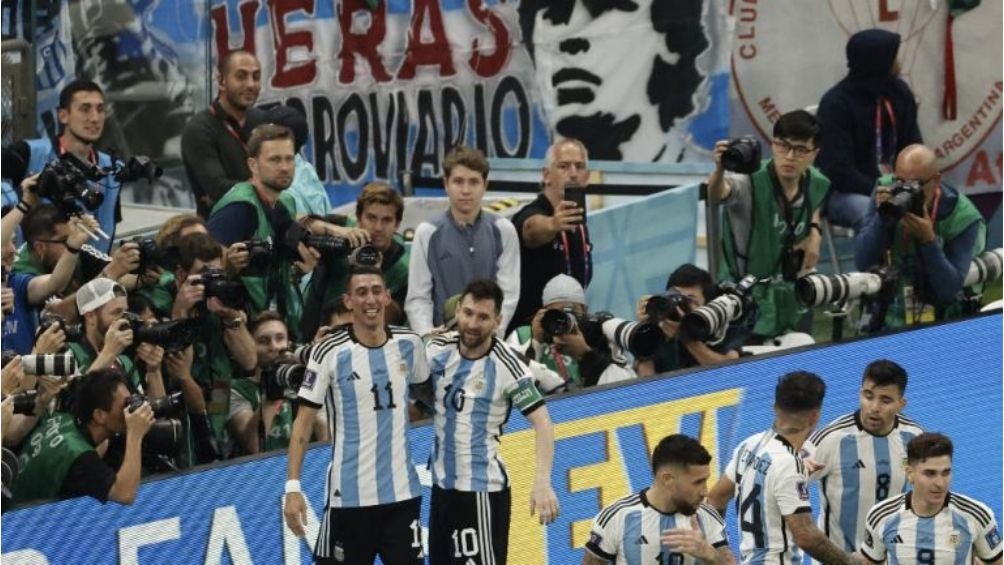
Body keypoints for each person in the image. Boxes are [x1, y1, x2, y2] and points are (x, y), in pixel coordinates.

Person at [284, 266, 429, 564]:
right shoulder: (328, 352)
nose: (370, 299)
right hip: (349, 499)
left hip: (403, 497)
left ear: (388, 297)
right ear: (348, 301)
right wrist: (293, 487)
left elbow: (427, 389)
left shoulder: (410, 344)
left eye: (377, 291)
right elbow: (303, 422)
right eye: (361, 292)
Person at [421, 278, 559, 564]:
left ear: (497, 321)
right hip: (441, 490)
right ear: (457, 310)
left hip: (480, 493)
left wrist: (542, 482)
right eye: (468, 313)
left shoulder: (508, 366)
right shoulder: (436, 349)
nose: (472, 323)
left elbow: (543, 422)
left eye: (483, 317)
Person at [520, 0, 712, 162]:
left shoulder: (707, 185)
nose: (568, 41)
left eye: (602, 10)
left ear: (669, 42)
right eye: (554, 13)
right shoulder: (539, 196)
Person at [707, 371, 857, 565]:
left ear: (775, 407)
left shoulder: (749, 445)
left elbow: (716, 497)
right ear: (814, 417)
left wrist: (722, 551)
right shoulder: (788, 464)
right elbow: (806, 536)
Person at [709, 110, 829, 341]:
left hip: (792, 292)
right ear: (772, 145)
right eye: (783, 146)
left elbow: (814, 203)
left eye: (801, 149)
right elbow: (718, 193)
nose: (790, 156)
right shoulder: (750, 182)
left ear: (815, 153)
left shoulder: (815, 181)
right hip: (745, 298)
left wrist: (815, 231)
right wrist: (719, 169)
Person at [206, 123, 323, 337]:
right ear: (253, 164)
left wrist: (298, 271)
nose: (285, 167)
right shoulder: (238, 207)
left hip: (275, 321)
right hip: (239, 327)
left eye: (289, 159)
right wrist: (229, 268)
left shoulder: (285, 201)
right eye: (275, 160)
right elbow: (207, 274)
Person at [854, 144, 986, 330]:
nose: (904, 193)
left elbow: (947, 289)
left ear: (936, 180)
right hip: (885, 316)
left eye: (914, 185)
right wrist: (882, 219)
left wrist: (928, 241)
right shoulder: (885, 189)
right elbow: (862, 261)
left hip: (943, 322)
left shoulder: (962, 217)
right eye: (899, 182)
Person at [803, 359, 923, 556]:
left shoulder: (914, 437)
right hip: (837, 559)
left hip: (888, 556)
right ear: (860, 394)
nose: (874, 407)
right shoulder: (831, 438)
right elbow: (785, 483)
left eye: (885, 400)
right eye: (869, 396)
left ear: (901, 404)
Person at [405, 146, 520, 336]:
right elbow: (418, 296)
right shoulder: (427, 232)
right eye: (458, 181)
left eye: (474, 182)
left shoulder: (504, 230)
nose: (466, 190)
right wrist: (427, 337)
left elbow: (508, 295)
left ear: (485, 185)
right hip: (441, 341)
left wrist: (492, 334)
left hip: (488, 340)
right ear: (446, 184)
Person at [817, 29, 922, 232]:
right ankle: (877, 264)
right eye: (892, 57)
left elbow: (913, 147)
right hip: (846, 192)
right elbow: (838, 171)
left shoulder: (899, 92)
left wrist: (911, 187)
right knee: (874, 213)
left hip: (896, 187)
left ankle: (930, 263)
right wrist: (883, 192)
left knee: (945, 201)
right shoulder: (836, 104)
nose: (897, 62)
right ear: (877, 61)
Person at [1, 80, 125, 252]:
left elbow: (109, 228)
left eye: (100, 109)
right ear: (63, 115)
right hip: (31, 270)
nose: (95, 118)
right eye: (85, 109)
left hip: (91, 272)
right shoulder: (26, 153)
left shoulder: (113, 168)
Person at [582, 434, 735, 565]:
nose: (705, 492)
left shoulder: (707, 516)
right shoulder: (618, 517)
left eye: (705, 481)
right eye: (697, 482)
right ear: (667, 479)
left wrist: (710, 555)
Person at [11, 368, 155, 504]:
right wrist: (135, 434)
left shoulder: (64, 418)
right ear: (100, 416)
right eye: (124, 405)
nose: (130, 411)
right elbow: (125, 494)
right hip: (23, 522)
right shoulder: (80, 459)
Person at [171, 233, 257, 455]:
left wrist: (231, 317)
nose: (212, 282)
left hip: (220, 390)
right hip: (183, 408)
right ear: (182, 275)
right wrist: (181, 313)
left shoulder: (219, 303)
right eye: (204, 276)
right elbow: (180, 371)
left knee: (218, 446)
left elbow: (249, 361)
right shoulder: (165, 305)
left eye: (217, 274)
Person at [860, 433, 1002, 564]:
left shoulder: (976, 515)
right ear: (910, 474)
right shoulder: (881, 516)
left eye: (946, 473)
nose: (940, 483)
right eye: (930, 474)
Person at [0, 177, 100, 353]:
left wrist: (72, 247)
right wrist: (23, 205)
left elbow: (55, 283)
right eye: (7, 243)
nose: (14, 251)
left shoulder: (17, 283)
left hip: (32, 376)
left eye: (15, 242)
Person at [301, 181, 408, 338]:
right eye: (371, 218)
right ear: (358, 217)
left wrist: (373, 274)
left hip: (369, 340)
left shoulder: (402, 266)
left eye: (386, 220)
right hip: (317, 329)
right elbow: (298, 221)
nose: (378, 227)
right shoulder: (342, 228)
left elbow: (392, 318)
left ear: (397, 224)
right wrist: (336, 231)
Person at [510, 138, 593, 333]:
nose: (573, 173)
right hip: (530, 332)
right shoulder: (533, 213)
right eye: (564, 166)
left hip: (568, 330)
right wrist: (553, 224)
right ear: (546, 174)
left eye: (579, 166)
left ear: (587, 176)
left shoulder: (580, 225)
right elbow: (530, 230)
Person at [507, 274, 635, 389]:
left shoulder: (599, 335)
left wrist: (586, 355)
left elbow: (627, 387)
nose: (563, 319)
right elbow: (510, 383)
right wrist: (534, 342)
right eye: (556, 314)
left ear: (584, 310)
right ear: (544, 313)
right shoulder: (523, 336)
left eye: (570, 311)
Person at [181, 50, 264, 217]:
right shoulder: (199, 129)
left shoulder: (260, 119)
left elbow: (285, 175)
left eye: (256, 77)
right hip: (221, 231)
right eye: (241, 76)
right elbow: (219, 189)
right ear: (221, 81)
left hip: (265, 224)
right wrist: (268, 187)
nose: (250, 84)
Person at [635, 264, 750, 376]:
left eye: (689, 300)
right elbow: (645, 380)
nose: (680, 305)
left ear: (707, 304)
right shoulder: (660, 330)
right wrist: (645, 330)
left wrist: (686, 336)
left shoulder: (721, 327)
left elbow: (729, 373)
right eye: (675, 298)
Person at [69, 277, 165, 398]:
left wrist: (154, 371)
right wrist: (108, 353)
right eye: (116, 312)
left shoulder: (124, 362)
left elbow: (157, 411)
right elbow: (71, 406)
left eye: (125, 313)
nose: (124, 319)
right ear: (90, 317)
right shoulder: (69, 354)